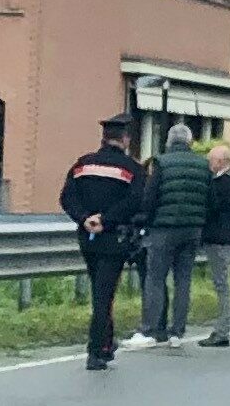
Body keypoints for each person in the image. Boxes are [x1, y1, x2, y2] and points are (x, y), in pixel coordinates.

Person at [60, 114, 146, 371]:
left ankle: (107, 344)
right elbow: (136, 202)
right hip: (113, 237)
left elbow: (67, 197)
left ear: (103, 138)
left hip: (87, 237)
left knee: (99, 288)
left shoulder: (82, 165)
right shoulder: (132, 169)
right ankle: (96, 351)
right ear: (126, 139)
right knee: (103, 295)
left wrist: (85, 218)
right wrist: (106, 220)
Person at [124, 124, 211, 349]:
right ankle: (177, 331)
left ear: (169, 141)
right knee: (183, 280)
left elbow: (150, 197)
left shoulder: (161, 163)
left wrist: (145, 222)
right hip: (192, 230)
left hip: (163, 229)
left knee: (155, 278)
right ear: (190, 142)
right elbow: (210, 199)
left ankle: (150, 329)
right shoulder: (203, 165)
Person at [198, 146, 230, 347]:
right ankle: (222, 328)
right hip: (229, 237)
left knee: (222, 285)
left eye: (212, 160)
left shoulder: (221, 184)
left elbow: (212, 209)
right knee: (222, 283)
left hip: (218, 238)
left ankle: (222, 330)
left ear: (221, 161)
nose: (209, 164)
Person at [127, 159, 167, 340]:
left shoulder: (144, 189)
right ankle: (159, 322)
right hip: (150, 236)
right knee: (154, 282)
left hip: (148, 237)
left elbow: (143, 211)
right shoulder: (156, 187)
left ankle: (154, 323)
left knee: (151, 282)